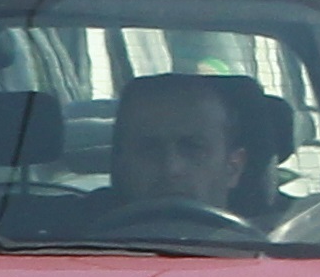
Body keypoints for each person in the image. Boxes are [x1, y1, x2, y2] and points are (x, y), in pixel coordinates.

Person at [107, 71, 276, 221]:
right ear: (123, 165)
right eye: (150, 149)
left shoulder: (287, 244)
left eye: (193, 148)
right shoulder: (82, 239)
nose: (171, 168)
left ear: (233, 167)